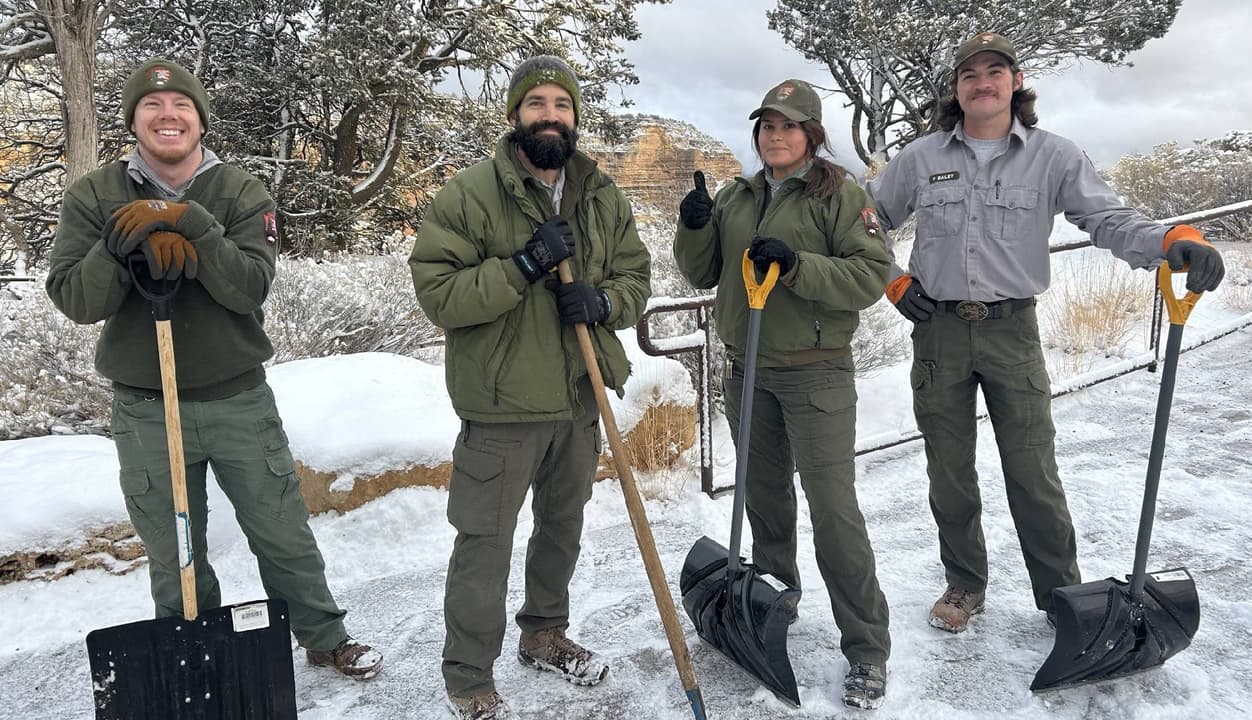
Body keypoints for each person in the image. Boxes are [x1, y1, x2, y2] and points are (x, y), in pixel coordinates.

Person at [867, 32, 1226, 636]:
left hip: (1013, 330)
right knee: (948, 470)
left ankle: (1061, 593)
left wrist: (1170, 242)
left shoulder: (1054, 156)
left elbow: (1106, 218)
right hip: (939, 332)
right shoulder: (919, 158)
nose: (982, 82)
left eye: (995, 72)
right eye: (970, 74)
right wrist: (894, 281)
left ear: (1015, 81)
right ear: (956, 89)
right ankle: (964, 584)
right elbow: (866, 222)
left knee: (1033, 469)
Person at [46, 59, 383, 680]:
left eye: (181, 106)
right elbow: (75, 299)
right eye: (152, 107)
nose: (167, 116)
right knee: (173, 544)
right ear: (134, 120)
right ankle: (195, 644)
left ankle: (323, 634)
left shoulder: (238, 191)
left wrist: (193, 226)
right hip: (147, 406)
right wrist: (119, 246)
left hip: (237, 399)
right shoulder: (94, 195)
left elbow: (249, 288)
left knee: (280, 527)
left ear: (200, 119)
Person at [408, 55, 652, 720]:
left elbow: (636, 275)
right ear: (515, 114)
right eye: (537, 102)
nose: (550, 114)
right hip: (501, 406)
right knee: (484, 543)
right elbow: (440, 294)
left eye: (562, 104)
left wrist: (603, 304)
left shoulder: (599, 192)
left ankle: (545, 634)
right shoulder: (469, 193)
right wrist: (522, 265)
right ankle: (468, 675)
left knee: (561, 531)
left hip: (577, 399)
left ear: (575, 116)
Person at [673, 78, 893, 710]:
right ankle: (775, 597)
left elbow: (870, 275)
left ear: (811, 135)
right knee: (766, 500)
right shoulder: (738, 195)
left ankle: (867, 649)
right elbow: (703, 271)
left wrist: (797, 264)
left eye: (789, 126)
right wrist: (693, 228)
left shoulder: (841, 195)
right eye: (767, 125)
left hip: (816, 374)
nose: (776, 135)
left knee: (833, 511)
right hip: (747, 370)